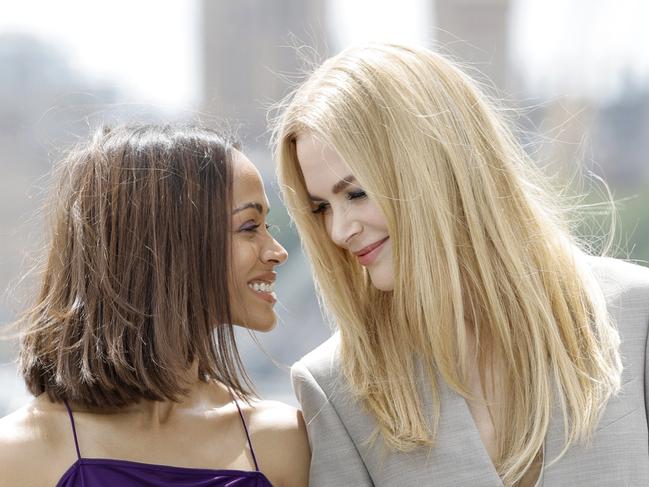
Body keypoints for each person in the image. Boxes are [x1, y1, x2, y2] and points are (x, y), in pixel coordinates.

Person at [273, 43, 649, 486]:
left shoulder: (636, 315)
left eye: (355, 193)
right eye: (321, 208)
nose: (339, 231)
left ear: (435, 169)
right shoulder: (335, 388)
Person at [0, 123, 310, 487]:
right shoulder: (17, 455)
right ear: (168, 247)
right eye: (249, 226)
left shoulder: (283, 441)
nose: (278, 252)